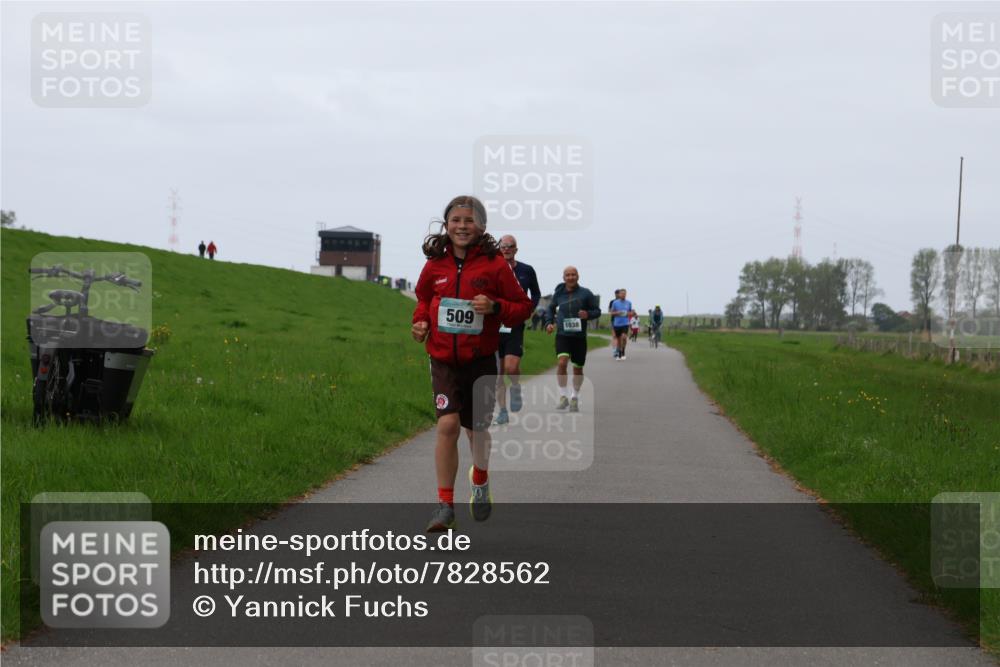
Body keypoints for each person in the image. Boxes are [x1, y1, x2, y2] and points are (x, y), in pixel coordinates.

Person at [412, 196, 533, 532]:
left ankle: (479, 479)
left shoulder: (495, 265)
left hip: (480, 360)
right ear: (446, 225)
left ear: (481, 227)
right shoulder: (435, 264)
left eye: (469, 220)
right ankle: (444, 506)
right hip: (443, 360)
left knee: (476, 431)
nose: (462, 226)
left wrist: (494, 307)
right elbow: (423, 299)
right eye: (455, 220)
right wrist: (421, 322)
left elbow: (522, 307)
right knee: (447, 426)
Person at [494, 235, 541, 426]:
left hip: (515, 324)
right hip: (495, 324)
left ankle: (515, 387)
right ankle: (503, 411)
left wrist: (529, 309)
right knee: (497, 372)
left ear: (516, 249)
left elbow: (536, 293)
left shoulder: (526, 270)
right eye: (503, 246)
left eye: (510, 246)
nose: (506, 249)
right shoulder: (492, 269)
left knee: (511, 368)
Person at [544, 267, 601, 412]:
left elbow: (597, 311)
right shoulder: (559, 293)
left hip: (579, 337)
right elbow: (550, 308)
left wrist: (587, 314)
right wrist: (549, 322)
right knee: (562, 362)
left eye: (573, 274)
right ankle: (563, 396)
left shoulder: (586, 293)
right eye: (567, 275)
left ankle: (574, 397)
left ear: (578, 276)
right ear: (564, 277)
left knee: (577, 369)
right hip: (563, 334)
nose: (570, 277)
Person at [610, 288, 633, 360]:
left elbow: (630, 313)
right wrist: (618, 313)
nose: (623, 295)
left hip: (625, 323)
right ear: (619, 294)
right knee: (619, 340)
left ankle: (623, 351)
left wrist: (629, 313)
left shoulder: (629, 303)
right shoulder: (615, 303)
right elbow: (611, 313)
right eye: (622, 294)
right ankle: (620, 352)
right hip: (617, 324)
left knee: (624, 337)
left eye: (624, 294)